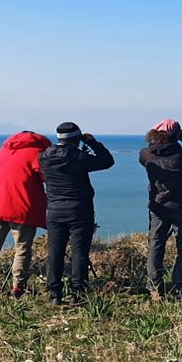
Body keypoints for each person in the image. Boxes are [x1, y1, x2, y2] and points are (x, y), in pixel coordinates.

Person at [39, 122, 114, 305]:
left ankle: (54, 295)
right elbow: (107, 161)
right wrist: (92, 142)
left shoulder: (43, 157)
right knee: (79, 252)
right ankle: (78, 294)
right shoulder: (78, 157)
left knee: (55, 252)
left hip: (55, 210)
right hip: (80, 210)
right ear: (77, 139)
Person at [0, 131, 52, 298]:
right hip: (22, 207)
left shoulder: (4, 150)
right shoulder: (36, 153)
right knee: (23, 249)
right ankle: (18, 286)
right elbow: (47, 177)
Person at [139, 119, 182, 298]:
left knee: (156, 245)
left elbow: (146, 158)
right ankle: (180, 286)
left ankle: (154, 287)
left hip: (158, 205)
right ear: (176, 135)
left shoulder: (145, 153)